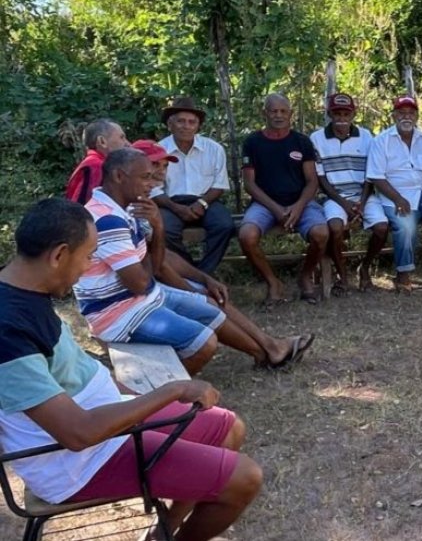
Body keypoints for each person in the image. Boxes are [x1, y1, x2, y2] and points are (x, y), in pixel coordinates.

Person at [0, 197, 261, 541]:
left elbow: (65, 375)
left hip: (102, 423)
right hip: (77, 462)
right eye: (89, 256)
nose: (89, 265)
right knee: (245, 478)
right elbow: (76, 434)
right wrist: (173, 390)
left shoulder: (22, 289)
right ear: (59, 255)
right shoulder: (8, 331)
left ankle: (161, 533)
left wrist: (126, 396)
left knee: (229, 429)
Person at [74, 148, 313, 375]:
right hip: (118, 315)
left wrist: (158, 229)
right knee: (204, 343)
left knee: (211, 307)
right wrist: (158, 231)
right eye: (146, 177)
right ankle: (155, 390)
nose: (153, 184)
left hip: (144, 298)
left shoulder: (125, 209)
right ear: (118, 176)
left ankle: (268, 353)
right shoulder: (107, 220)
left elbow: (155, 265)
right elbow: (142, 283)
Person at [239, 93, 329, 305]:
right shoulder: (253, 142)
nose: (278, 115)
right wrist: (277, 209)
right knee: (246, 236)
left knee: (321, 233)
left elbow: (312, 182)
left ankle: (305, 277)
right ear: (265, 113)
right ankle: (273, 283)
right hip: (265, 204)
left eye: (283, 111)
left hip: (301, 203)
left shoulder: (302, 142)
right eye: (273, 111)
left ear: (290, 114)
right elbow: (249, 184)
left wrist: (298, 207)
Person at [366, 95, 422, 292]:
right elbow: (376, 177)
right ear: (394, 115)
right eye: (401, 112)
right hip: (395, 194)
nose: (406, 117)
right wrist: (398, 198)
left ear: (416, 116)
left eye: (410, 113)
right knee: (406, 227)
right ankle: (403, 273)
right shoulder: (381, 141)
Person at [310, 93, 389, 293]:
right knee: (335, 227)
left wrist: (361, 203)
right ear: (329, 114)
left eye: (346, 114)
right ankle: (342, 275)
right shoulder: (317, 138)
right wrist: (345, 204)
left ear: (353, 114)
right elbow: (321, 179)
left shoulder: (366, 136)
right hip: (334, 197)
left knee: (381, 227)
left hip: (363, 195)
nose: (342, 118)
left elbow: (371, 174)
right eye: (337, 113)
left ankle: (365, 269)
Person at [155, 96, 235, 274]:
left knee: (225, 225)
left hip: (205, 201)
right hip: (169, 203)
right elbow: (153, 189)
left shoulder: (214, 149)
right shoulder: (158, 150)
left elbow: (219, 184)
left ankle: (204, 273)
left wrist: (202, 203)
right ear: (170, 124)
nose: (186, 126)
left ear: (198, 126)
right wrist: (175, 207)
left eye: (192, 122)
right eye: (180, 121)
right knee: (164, 230)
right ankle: (191, 271)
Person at [65, 119, 130, 205]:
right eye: (122, 137)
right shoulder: (96, 166)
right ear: (102, 141)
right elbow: (89, 205)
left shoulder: (92, 163)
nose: (128, 143)